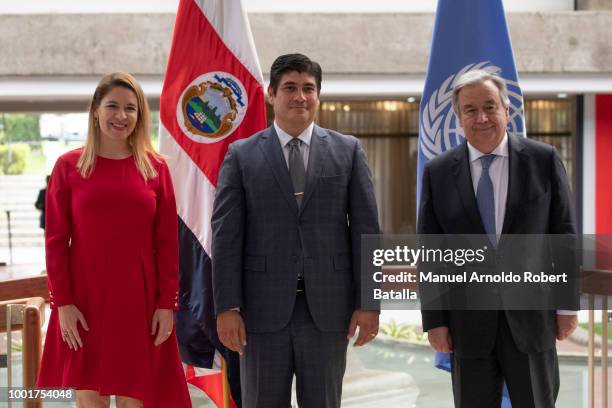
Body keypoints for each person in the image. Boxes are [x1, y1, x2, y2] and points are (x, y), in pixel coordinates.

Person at [211, 53, 380, 408]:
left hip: (328, 311)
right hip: (260, 312)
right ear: (272, 94)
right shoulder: (241, 155)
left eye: (308, 88)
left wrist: (369, 303)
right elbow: (227, 237)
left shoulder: (348, 151)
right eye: (290, 87)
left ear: (318, 95)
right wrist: (227, 306)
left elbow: (366, 232)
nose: (300, 96)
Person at [418, 69, 578, 408]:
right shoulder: (438, 173)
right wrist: (435, 320)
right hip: (469, 326)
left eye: (490, 106)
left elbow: (563, 236)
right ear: (459, 118)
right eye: (471, 110)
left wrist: (566, 306)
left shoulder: (544, 160)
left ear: (507, 110)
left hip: (532, 321)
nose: (482, 117)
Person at [37, 72, 191, 408]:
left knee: (135, 399)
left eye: (130, 109)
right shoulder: (68, 167)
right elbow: (55, 241)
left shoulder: (156, 169)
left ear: (140, 116)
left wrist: (167, 304)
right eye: (112, 106)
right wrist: (62, 302)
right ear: (95, 110)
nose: (121, 116)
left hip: (140, 299)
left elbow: (167, 243)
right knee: (89, 397)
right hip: (83, 299)